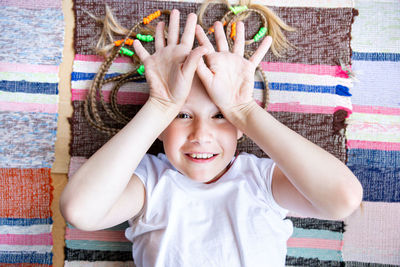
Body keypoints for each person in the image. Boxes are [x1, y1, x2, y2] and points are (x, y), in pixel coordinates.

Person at [60, 10, 363, 267]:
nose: (201, 134)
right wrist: (160, 106)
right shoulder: (150, 184)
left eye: (219, 116)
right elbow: (79, 211)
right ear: (161, 126)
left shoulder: (262, 180)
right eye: (183, 115)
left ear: (240, 126)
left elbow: (343, 199)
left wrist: (244, 110)